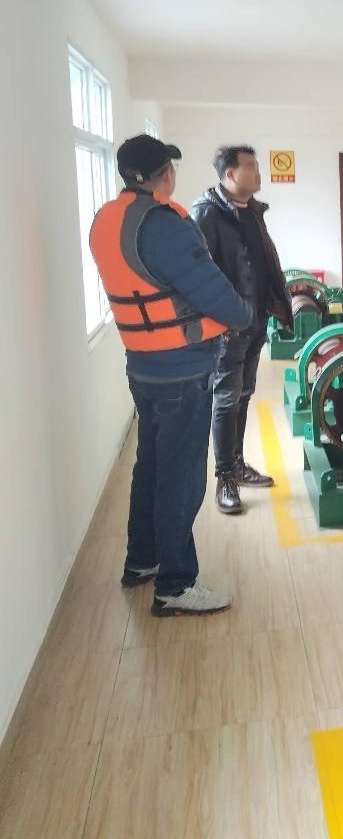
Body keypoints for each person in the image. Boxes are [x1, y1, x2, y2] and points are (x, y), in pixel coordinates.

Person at [89, 135, 253, 616]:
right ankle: (176, 585)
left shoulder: (106, 220)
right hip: (182, 368)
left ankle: (142, 560)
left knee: (152, 466)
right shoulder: (163, 225)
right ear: (165, 174)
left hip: (142, 364)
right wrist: (245, 315)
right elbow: (214, 293)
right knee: (181, 478)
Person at [191, 146, 292, 515]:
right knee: (226, 399)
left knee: (243, 395)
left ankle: (236, 464)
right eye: (250, 166)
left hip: (255, 320)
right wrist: (219, 321)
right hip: (227, 327)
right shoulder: (206, 214)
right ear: (229, 174)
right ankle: (225, 478)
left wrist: (275, 306)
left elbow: (262, 263)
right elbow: (201, 277)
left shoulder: (251, 211)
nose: (258, 171)